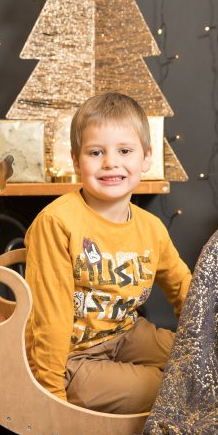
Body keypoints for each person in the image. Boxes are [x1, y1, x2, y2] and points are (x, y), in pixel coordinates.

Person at [23, 92, 192, 414]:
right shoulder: (57, 222)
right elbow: (49, 318)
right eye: (95, 152)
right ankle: (112, 388)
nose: (111, 163)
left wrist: (215, 338)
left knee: (204, 361)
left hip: (126, 334)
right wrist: (51, 395)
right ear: (76, 161)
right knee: (170, 386)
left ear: (146, 159)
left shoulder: (151, 228)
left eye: (125, 151)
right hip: (74, 355)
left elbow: (184, 289)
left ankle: (163, 384)